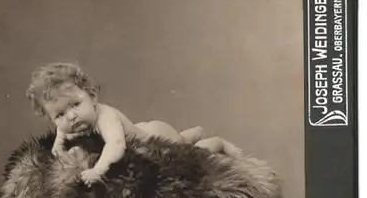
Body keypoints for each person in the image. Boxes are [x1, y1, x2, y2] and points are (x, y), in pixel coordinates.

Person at [26, 62, 242, 186]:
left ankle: (218, 143)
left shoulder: (104, 117)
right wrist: (58, 144)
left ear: (92, 96)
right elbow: (61, 131)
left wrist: (99, 170)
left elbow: (116, 145)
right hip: (140, 127)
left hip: (156, 137)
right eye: (60, 114)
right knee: (185, 136)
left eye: (75, 105)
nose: (70, 117)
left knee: (188, 149)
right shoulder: (70, 123)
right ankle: (194, 131)